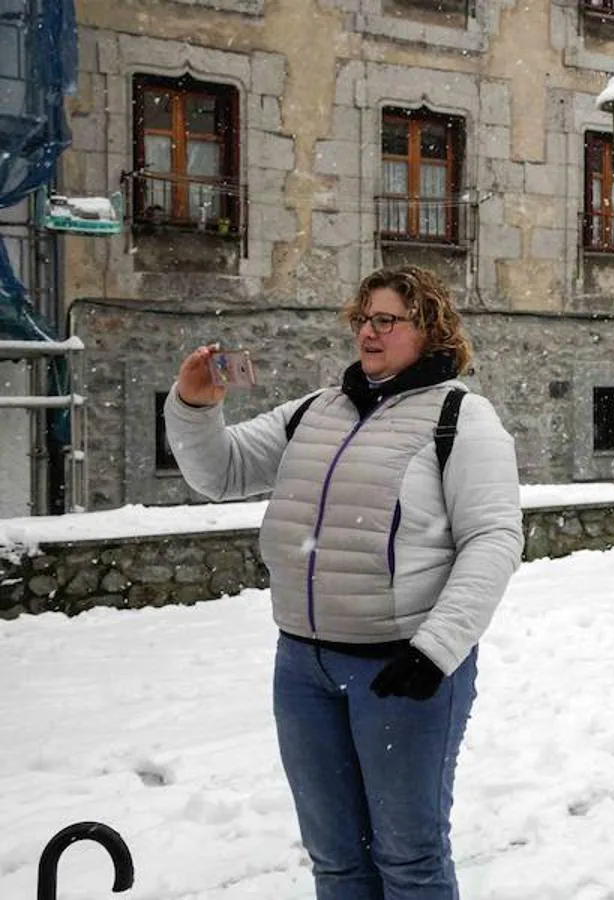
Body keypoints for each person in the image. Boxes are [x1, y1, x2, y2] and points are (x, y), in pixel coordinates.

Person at [164, 265, 524, 899]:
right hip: (304, 667)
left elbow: (493, 539)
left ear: (430, 329)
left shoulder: (461, 418)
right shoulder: (315, 411)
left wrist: (435, 650)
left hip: (404, 669)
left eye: (387, 319)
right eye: (363, 318)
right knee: (335, 859)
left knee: (409, 859)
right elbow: (220, 472)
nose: (369, 331)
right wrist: (197, 408)